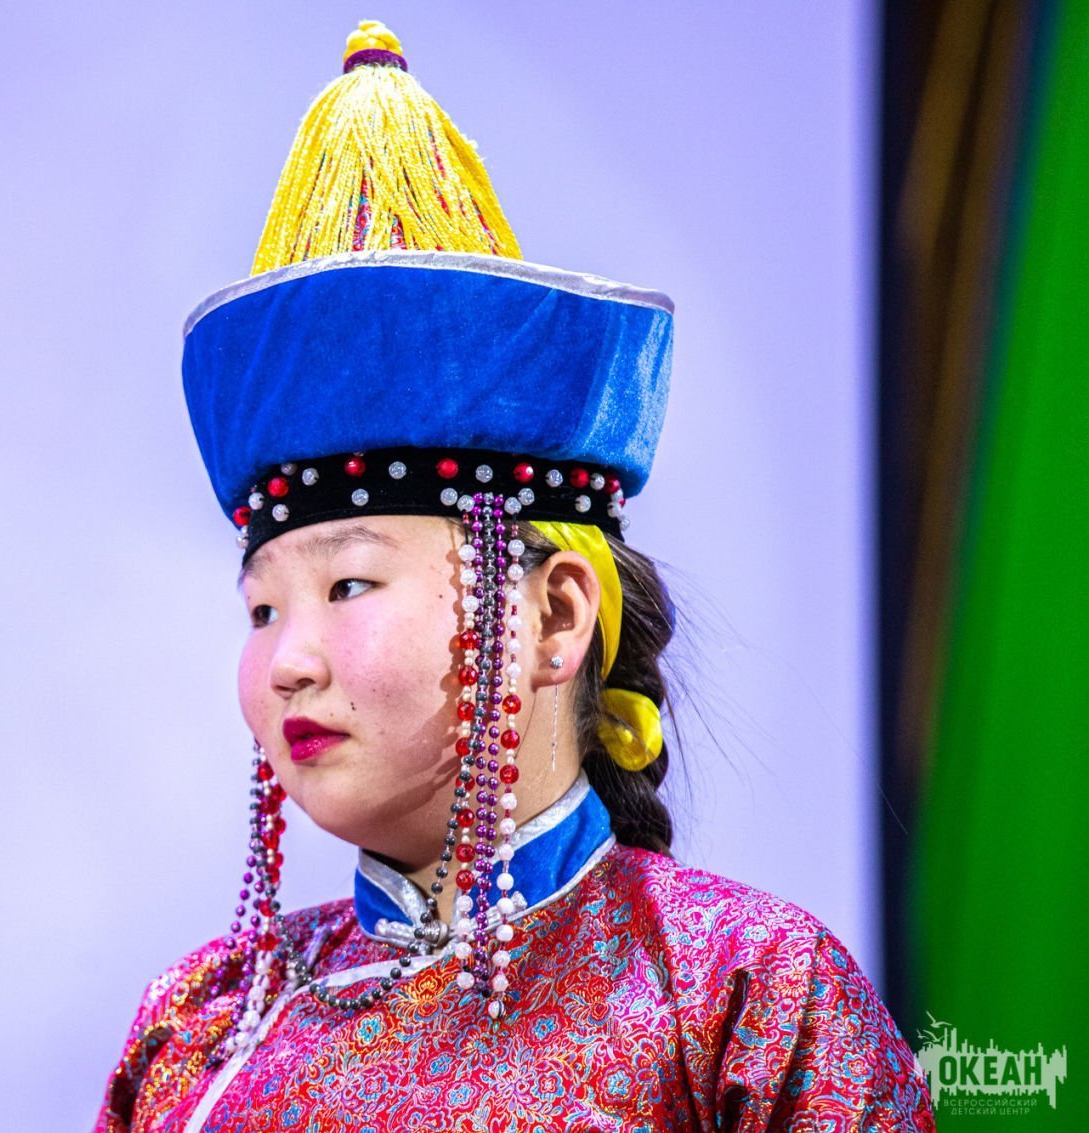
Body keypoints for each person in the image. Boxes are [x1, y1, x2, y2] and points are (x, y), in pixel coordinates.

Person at [94, 21, 934, 1132]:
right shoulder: (199, 1032)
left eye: (348, 586)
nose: (287, 660)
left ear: (553, 614)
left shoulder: (742, 996)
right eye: (261, 607)